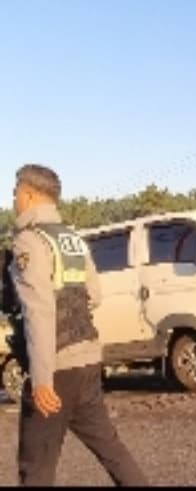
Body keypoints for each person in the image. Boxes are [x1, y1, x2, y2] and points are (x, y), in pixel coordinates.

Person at [7, 164, 147, 486]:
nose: (13, 199)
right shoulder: (71, 239)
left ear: (29, 194)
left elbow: (39, 311)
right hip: (87, 360)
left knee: (36, 467)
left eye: (15, 192)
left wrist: (42, 379)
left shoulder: (30, 241)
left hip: (56, 369)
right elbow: (94, 295)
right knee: (112, 450)